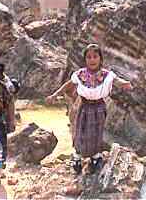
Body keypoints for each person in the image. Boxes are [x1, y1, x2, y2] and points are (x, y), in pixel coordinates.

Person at [46, 44, 132, 174]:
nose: (92, 60)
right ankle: (78, 156)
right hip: (84, 106)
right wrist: (55, 95)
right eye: (89, 57)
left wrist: (124, 84)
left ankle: (95, 156)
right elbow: (68, 84)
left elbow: (117, 81)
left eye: (95, 57)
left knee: (97, 131)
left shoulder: (107, 75)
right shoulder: (80, 74)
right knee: (81, 129)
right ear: (85, 59)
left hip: (99, 107)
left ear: (100, 59)